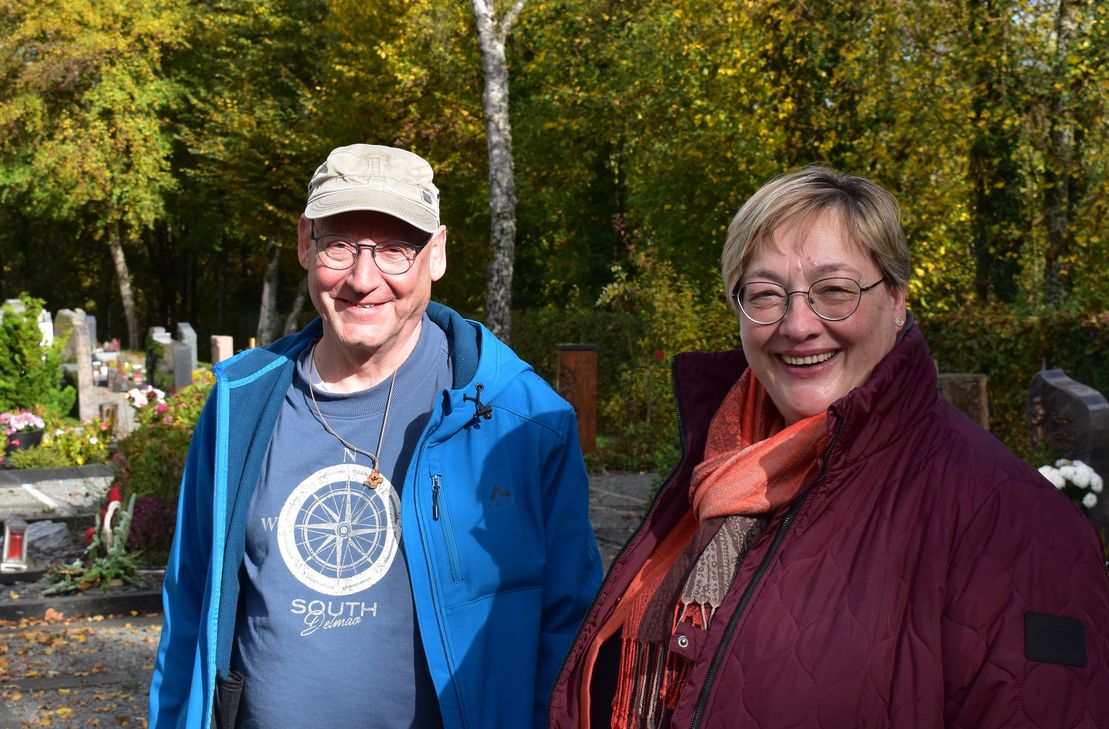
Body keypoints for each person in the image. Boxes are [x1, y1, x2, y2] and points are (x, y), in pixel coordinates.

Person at [549, 166, 1109, 728]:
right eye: (766, 295)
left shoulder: (1018, 523)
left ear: (896, 299)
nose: (798, 325)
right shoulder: (714, 471)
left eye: (835, 291)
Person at [149, 143, 603, 729]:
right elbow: (190, 611)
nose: (364, 280)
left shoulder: (522, 421)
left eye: (395, 249)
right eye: (340, 245)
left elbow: (571, 634)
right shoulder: (242, 405)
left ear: (435, 254)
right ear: (305, 244)